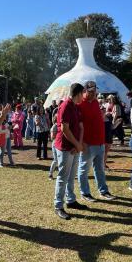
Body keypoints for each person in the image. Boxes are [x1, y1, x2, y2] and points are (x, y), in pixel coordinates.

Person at [77, 81, 117, 201]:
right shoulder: (80, 104)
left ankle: (103, 191)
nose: (94, 93)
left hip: (100, 142)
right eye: (91, 91)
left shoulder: (95, 102)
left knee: (100, 169)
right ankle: (85, 193)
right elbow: (78, 125)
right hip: (87, 143)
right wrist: (82, 141)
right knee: (83, 169)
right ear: (85, 91)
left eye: (95, 91)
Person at [54, 83, 88, 220]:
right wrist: (77, 144)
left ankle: (71, 200)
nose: (84, 97)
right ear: (78, 93)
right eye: (83, 93)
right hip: (64, 147)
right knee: (63, 177)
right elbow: (64, 129)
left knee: (71, 176)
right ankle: (58, 206)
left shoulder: (75, 106)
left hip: (73, 147)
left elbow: (80, 126)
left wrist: (78, 144)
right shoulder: (66, 106)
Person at [48, 114, 58, 180]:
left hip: (60, 144)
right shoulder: (54, 126)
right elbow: (52, 137)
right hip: (55, 144)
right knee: (56, 160)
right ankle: (50, 174)